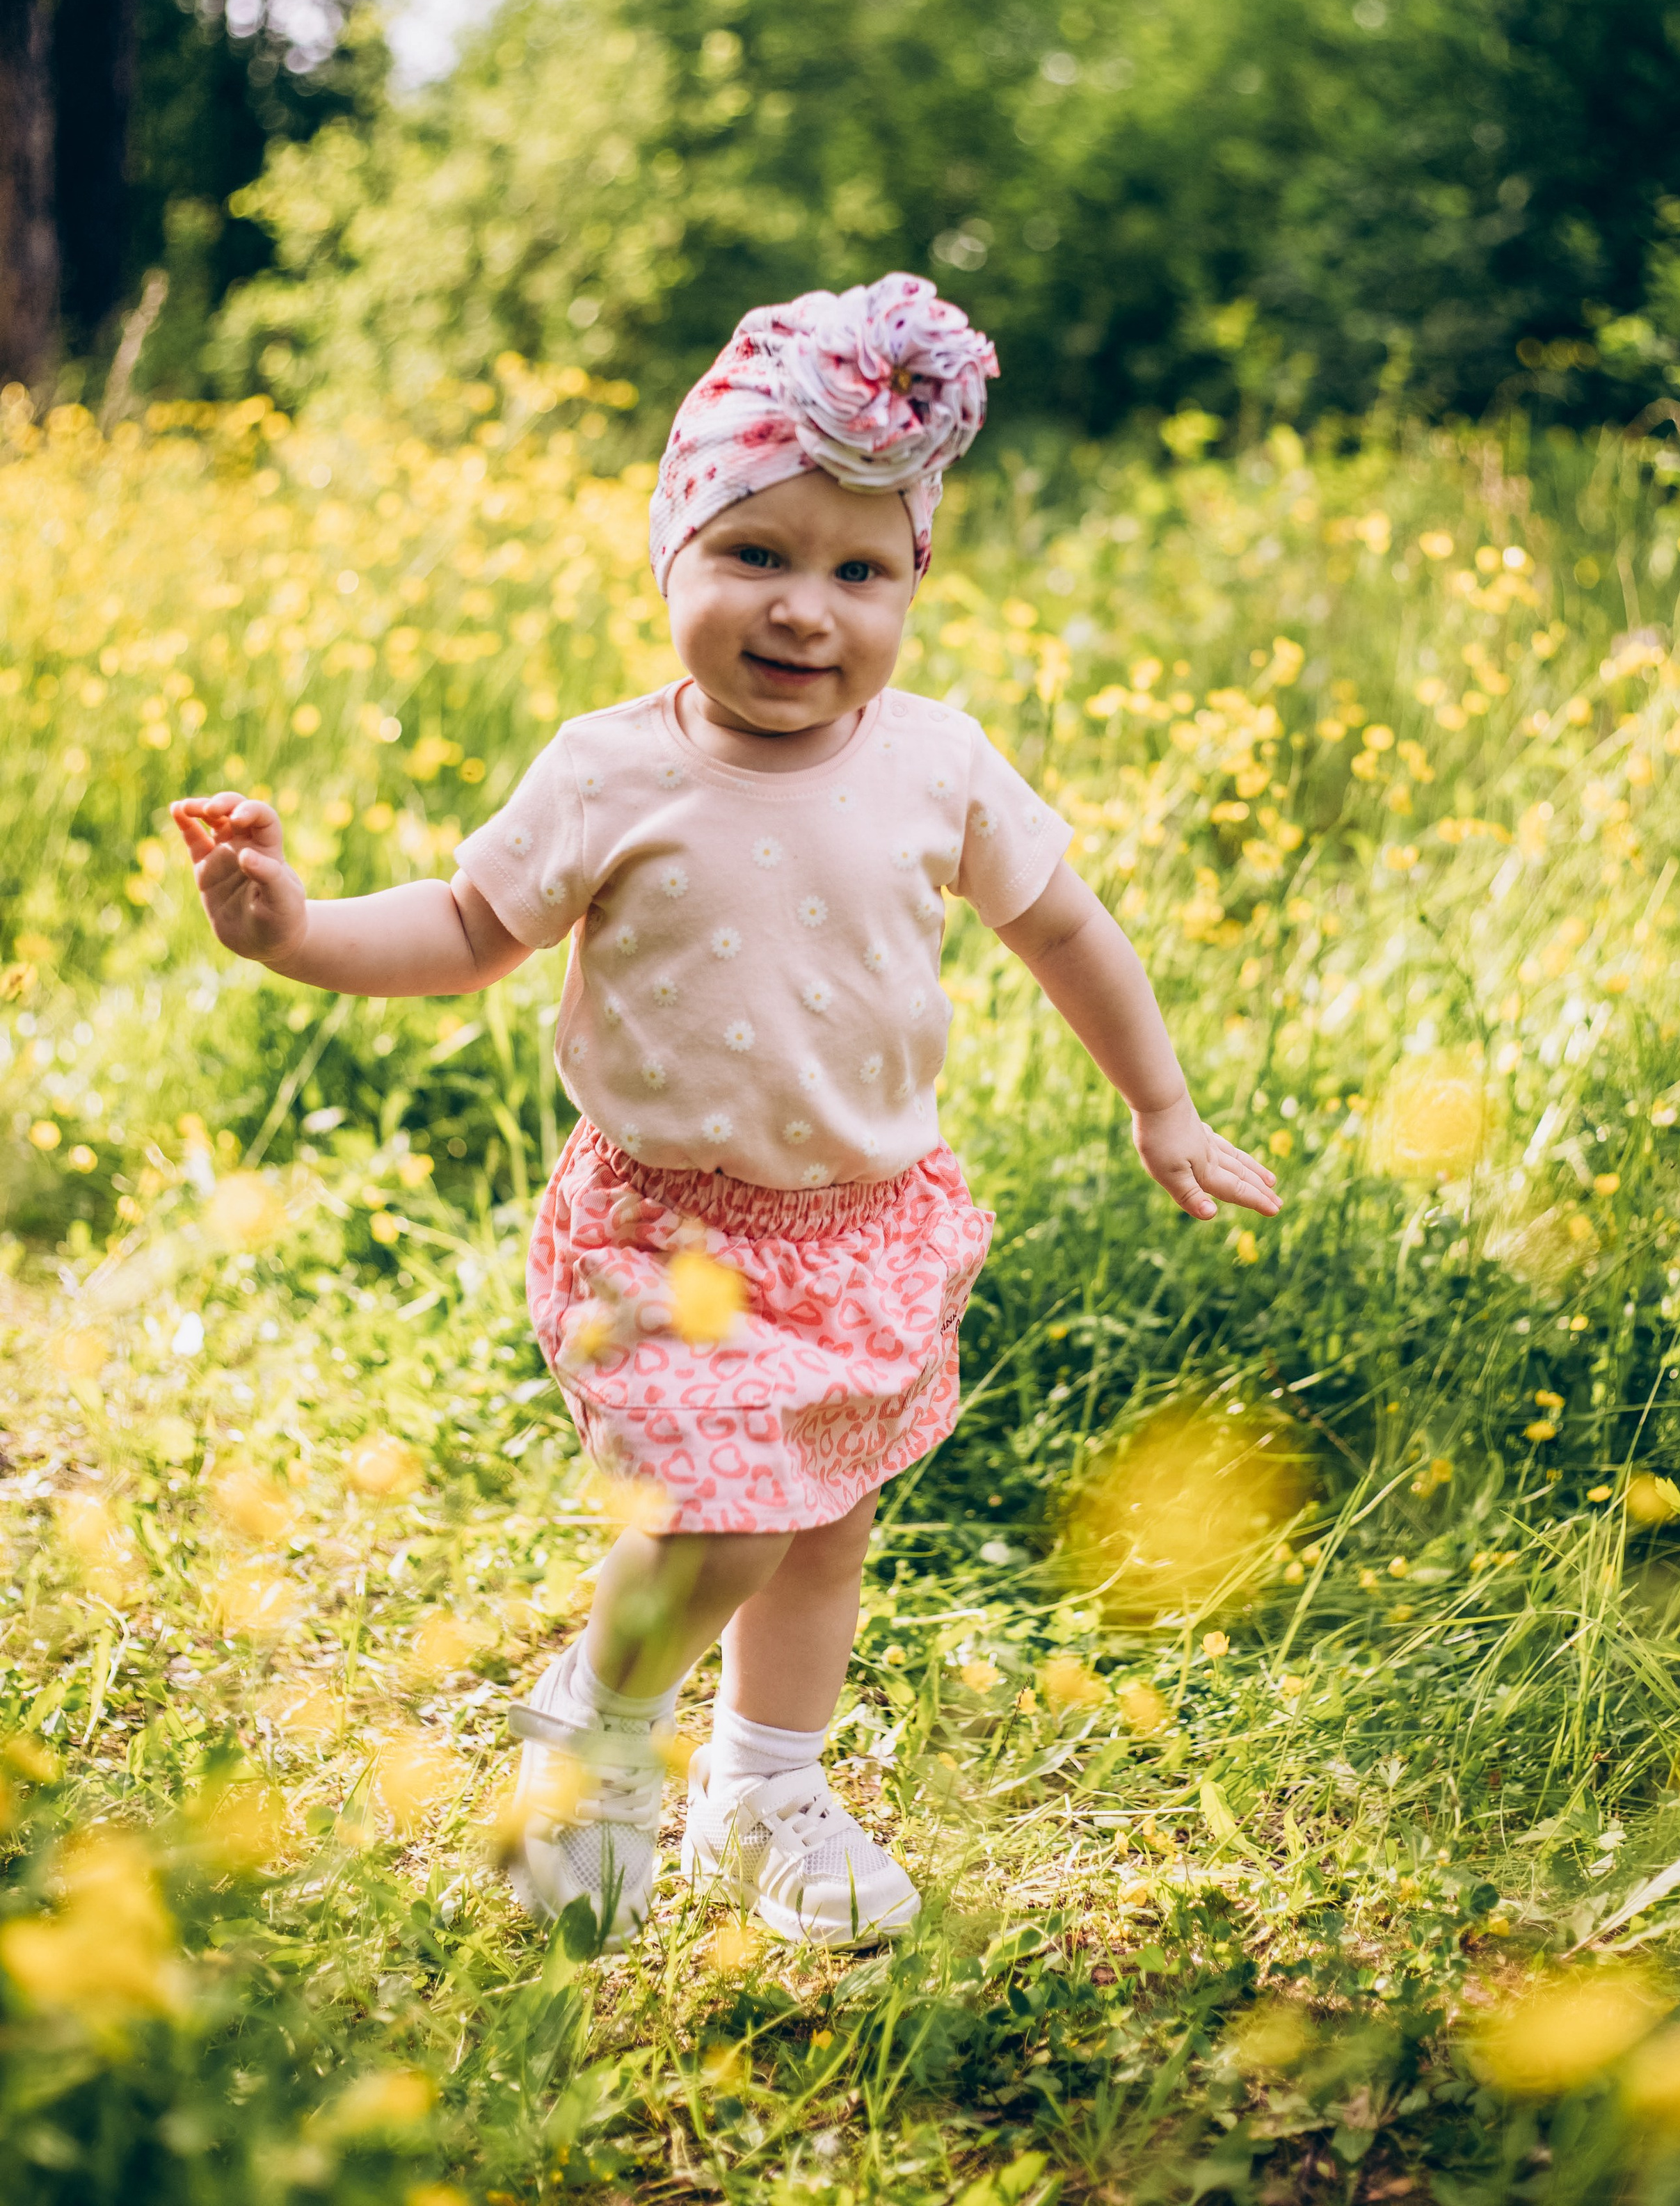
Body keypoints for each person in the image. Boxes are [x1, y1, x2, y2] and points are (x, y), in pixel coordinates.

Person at [172, 271, 1281, 1952]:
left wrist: (1163, 1103)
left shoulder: (935, 763)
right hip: (663, 1232)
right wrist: (295, 930)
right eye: (754, 554)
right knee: (728, 1518)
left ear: (912, 582)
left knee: (820, 1530)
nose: (802, 612)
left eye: (858, 572)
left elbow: (1065, 928)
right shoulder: (610, 770)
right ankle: (593, 1728)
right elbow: (467, 930)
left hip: (865, 1224)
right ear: (672, 556)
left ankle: (764, 1788)